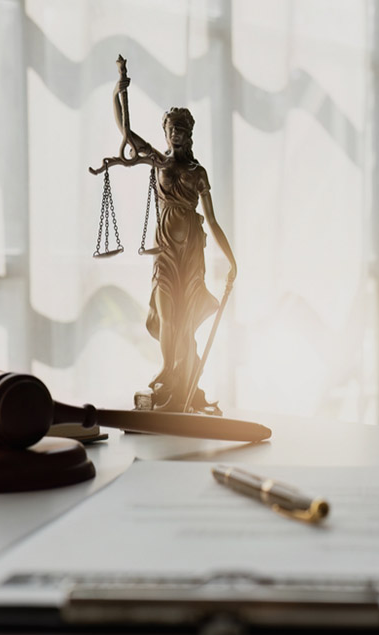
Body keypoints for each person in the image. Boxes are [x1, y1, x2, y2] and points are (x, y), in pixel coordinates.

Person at [113, 76, 236, 412]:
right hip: (165, 252)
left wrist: (232, 261)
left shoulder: (198, 172)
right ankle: (169, 371)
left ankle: (186, 385)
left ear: (189, 133)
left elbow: (211, 220)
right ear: (165, 132)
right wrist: (118, 91)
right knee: (168, 313)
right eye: (171, 127)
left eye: (181, 127)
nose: (176, 132)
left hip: (192, 254)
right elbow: (126, 132)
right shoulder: (157, 161)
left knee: (186, 322)